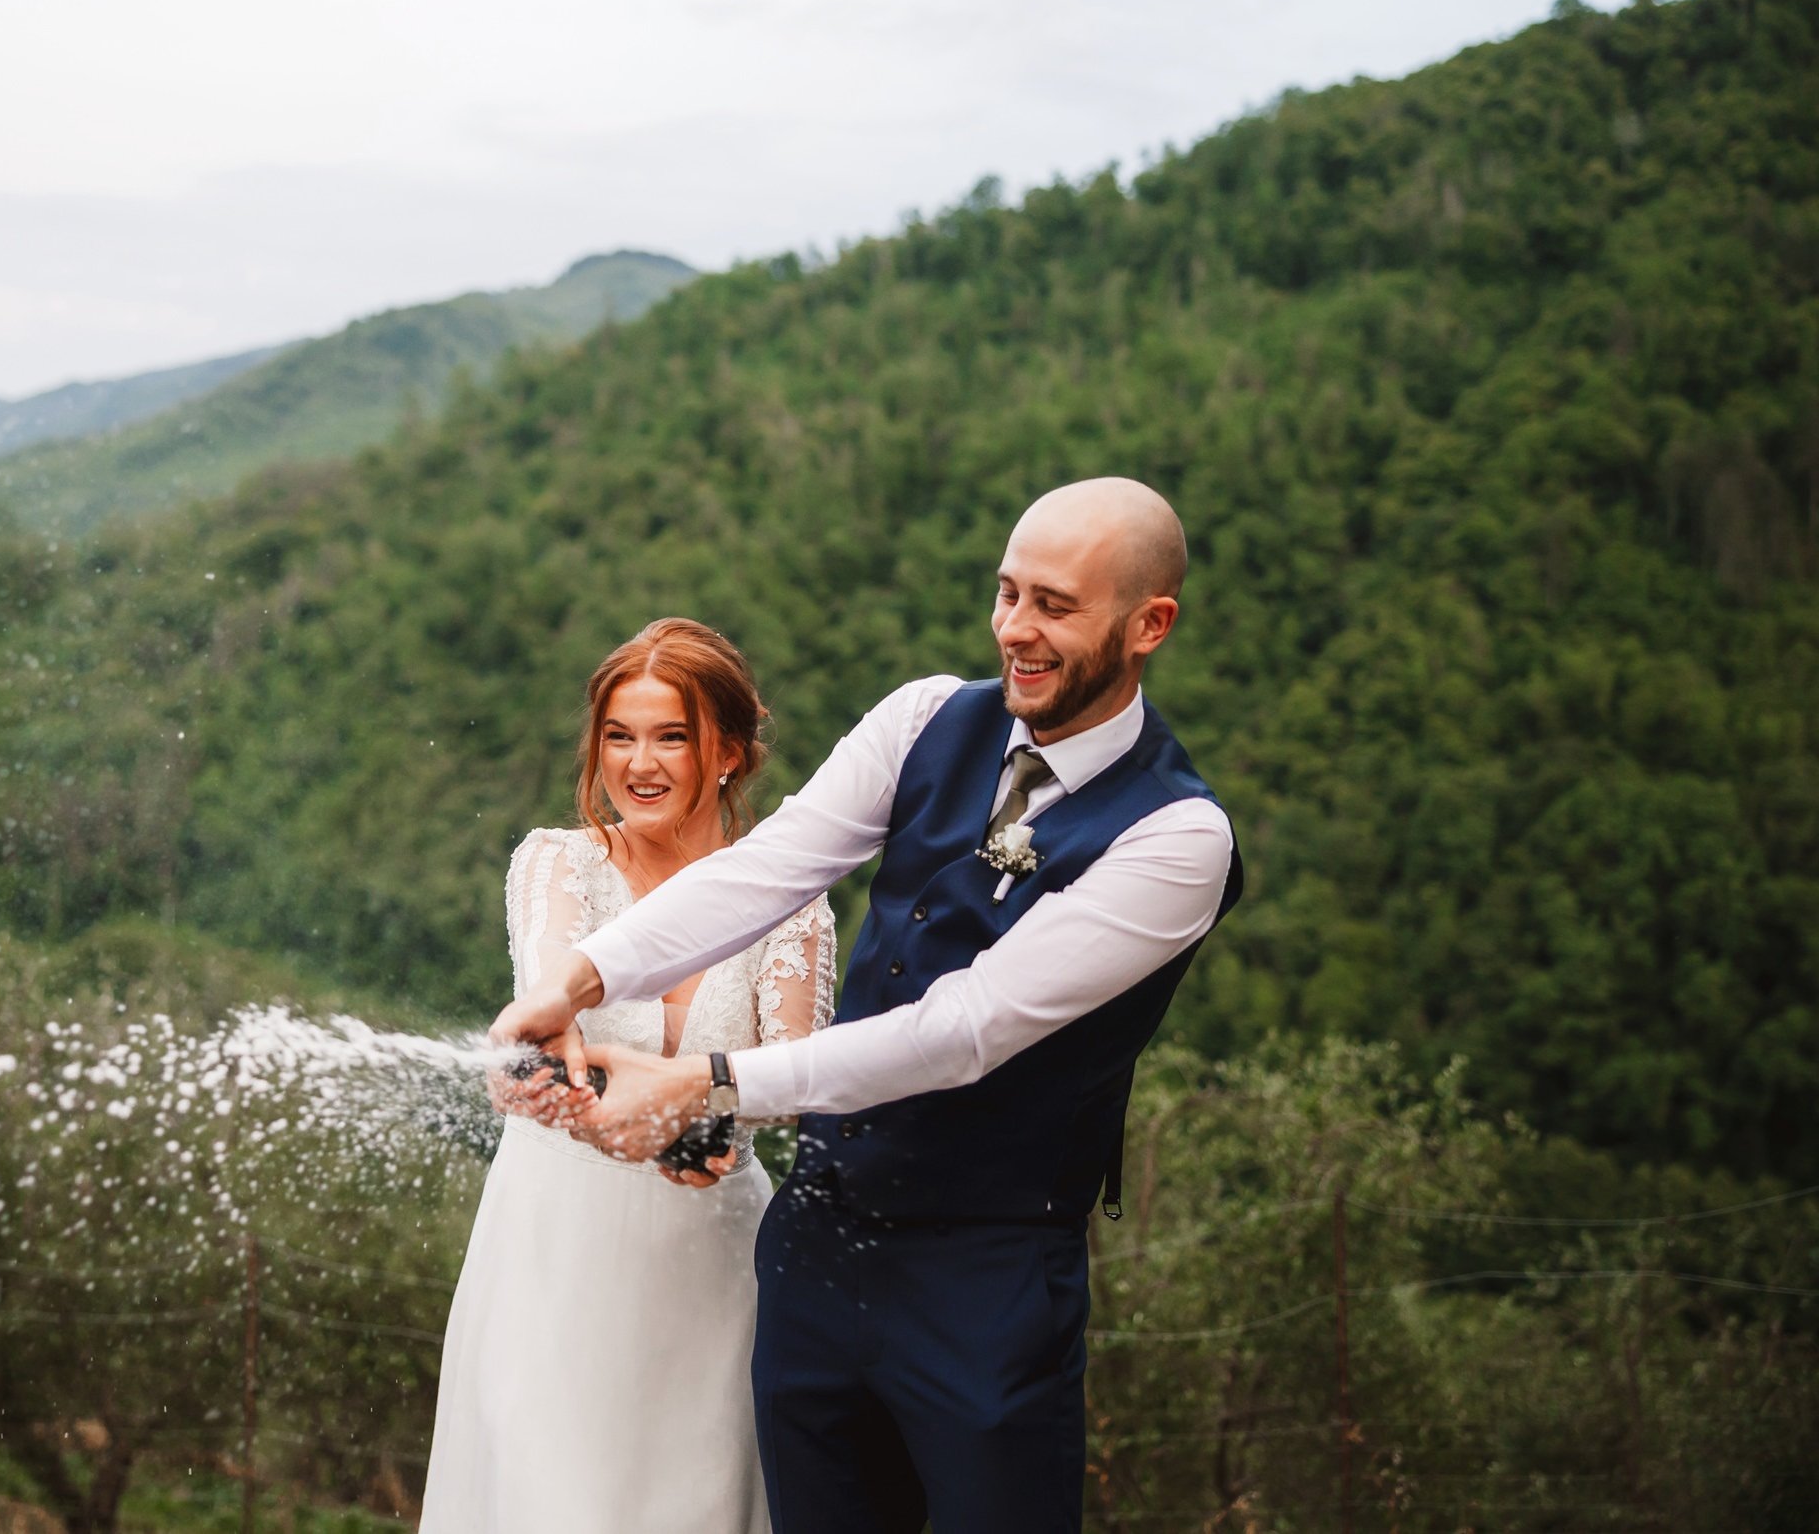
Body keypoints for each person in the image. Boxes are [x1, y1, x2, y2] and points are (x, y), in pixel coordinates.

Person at [494, 478, 1244, 1533]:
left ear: (1148, 624)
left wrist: (708, 1081)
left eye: (1053, 606)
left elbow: (967, 1029)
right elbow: (765, 872)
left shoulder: (1177, 840)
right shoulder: (922, 716)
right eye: (1004, 593)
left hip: (984, 1283)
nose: (1015, 631)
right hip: (816, 1248)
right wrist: (577, 980)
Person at [421, 618, 837, 1534]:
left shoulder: (792, 906)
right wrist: (534, 1081)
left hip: (713, 1258)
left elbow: (794, 1080)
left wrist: (709, 1121)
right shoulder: (559, 863)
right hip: (555, 1244)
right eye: (619, 735)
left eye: (671, 735)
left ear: (727, 750)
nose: (638, 763)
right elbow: (548, 1007)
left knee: (699, 1499)